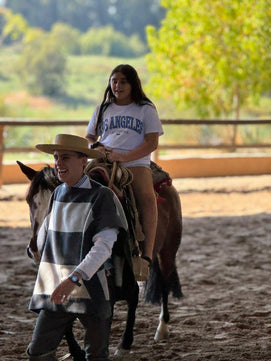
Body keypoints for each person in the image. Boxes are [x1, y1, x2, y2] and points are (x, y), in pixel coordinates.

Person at [26, 134, 128, 361]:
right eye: (55, 158)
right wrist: (34, 248)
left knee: (96, 356)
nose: (58, 163)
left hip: (91, 288)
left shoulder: (102, 196)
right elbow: (48, 234)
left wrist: (73, 278)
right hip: (55, 287)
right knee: (38, 352)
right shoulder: (57, 194)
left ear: (83, 160)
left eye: (66, 157)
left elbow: (103, 247)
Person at [85, 64, 163, 267]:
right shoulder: (103, 108)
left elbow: (152, 143)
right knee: (77, 186)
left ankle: (146, 255)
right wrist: (95, 147)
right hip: (104, 159)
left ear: (132, 83)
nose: (117, 85)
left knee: (146, 198)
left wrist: (125, 157)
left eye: (122, 81)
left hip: (135, 162)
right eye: (114, 81)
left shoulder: (145, 108)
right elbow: (90, 136)